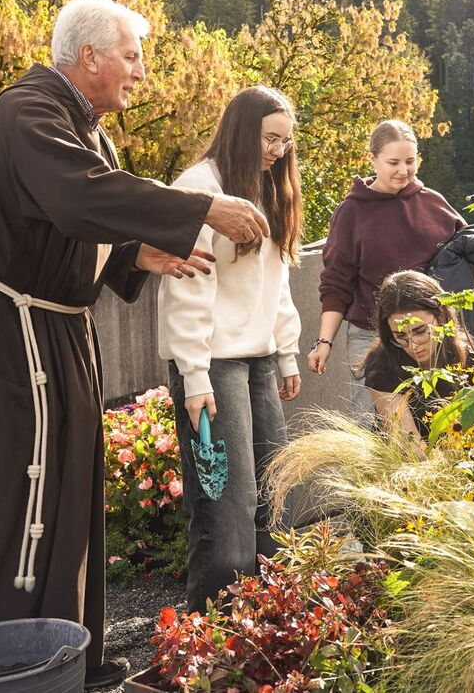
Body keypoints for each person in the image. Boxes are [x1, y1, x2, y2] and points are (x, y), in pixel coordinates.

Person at [0, 0, 271, 690]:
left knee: (63, 497)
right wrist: (198, 209)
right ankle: (1, 663)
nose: (141, 72)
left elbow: (69, 223)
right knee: (15, 496)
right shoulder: (29, 111)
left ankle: (71, 657)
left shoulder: (82, 124)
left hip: (55, 333)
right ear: (90, 56)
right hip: (18, 343)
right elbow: (77, 197)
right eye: (132, 56)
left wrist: (135, 256)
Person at [158, 85, 304, 611]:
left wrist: (286, 352)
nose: (278, 151)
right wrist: (193, 376)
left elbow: (277, 280)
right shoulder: (200, 189)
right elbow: (186, 287)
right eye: (270, 139)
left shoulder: (269, 187)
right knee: (225, 506)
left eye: (286, 142)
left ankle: (266, 630)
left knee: (272, 495)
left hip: (261, 361)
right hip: (212, 365)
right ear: (242, 131)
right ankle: (210, 640)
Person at [310, 121, 465, 423]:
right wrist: (324, 342)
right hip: (371, 334)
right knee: (371, 424)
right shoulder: (352, 212)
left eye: (410, 161)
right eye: (393, 162)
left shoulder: (434, 203)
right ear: (372, 160)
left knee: (440, 421)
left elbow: (464, 255)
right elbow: (336, 284)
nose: (403, 171)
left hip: (431, 334)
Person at [361, 270, 472, 441]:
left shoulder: (473, 355)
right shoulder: (383, 362)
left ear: (441, 315)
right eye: (400, 336)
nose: (413, 345)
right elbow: (408, 441)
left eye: (420, 331)